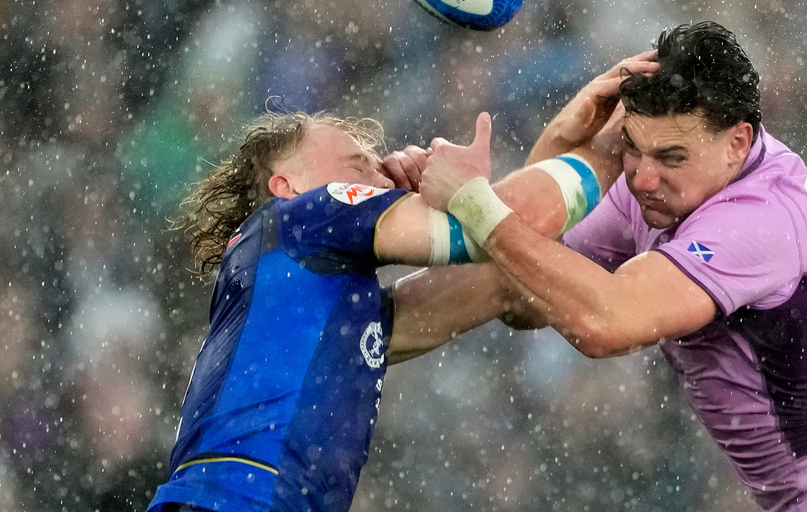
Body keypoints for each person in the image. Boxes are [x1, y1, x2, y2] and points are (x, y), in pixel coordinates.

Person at [419, 21, 807, 511]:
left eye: (671, 157)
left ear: (737, 142)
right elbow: (527, 286)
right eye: (631, 148)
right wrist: (563, 136)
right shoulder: (658, 188)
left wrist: (474, 202)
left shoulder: (763, 215)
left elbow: (602, 323)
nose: (643, 177)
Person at [145, 54, 657, 512]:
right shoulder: (300, 214)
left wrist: (565, 138)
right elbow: (495, 224)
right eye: (356, 163)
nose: (381, 170)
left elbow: (509, 273)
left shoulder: (317, 312)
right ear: (287, 185)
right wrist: (624, 136)